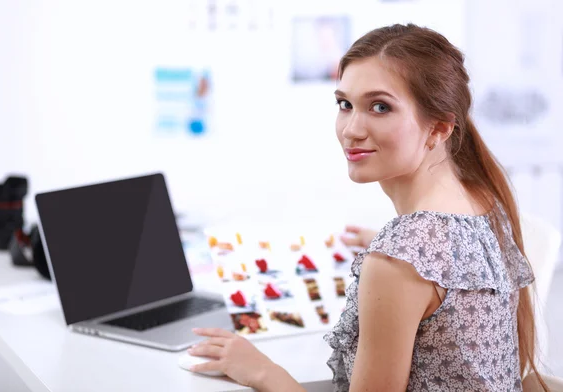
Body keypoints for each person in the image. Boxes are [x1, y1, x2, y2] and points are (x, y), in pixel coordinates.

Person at [188, 23, 547, 391]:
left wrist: (262, 371)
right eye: (344, 104)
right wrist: (394, 252)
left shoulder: (401, 260)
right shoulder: (482, 201)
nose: (351, 130)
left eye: (380, 107)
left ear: (439, 129)